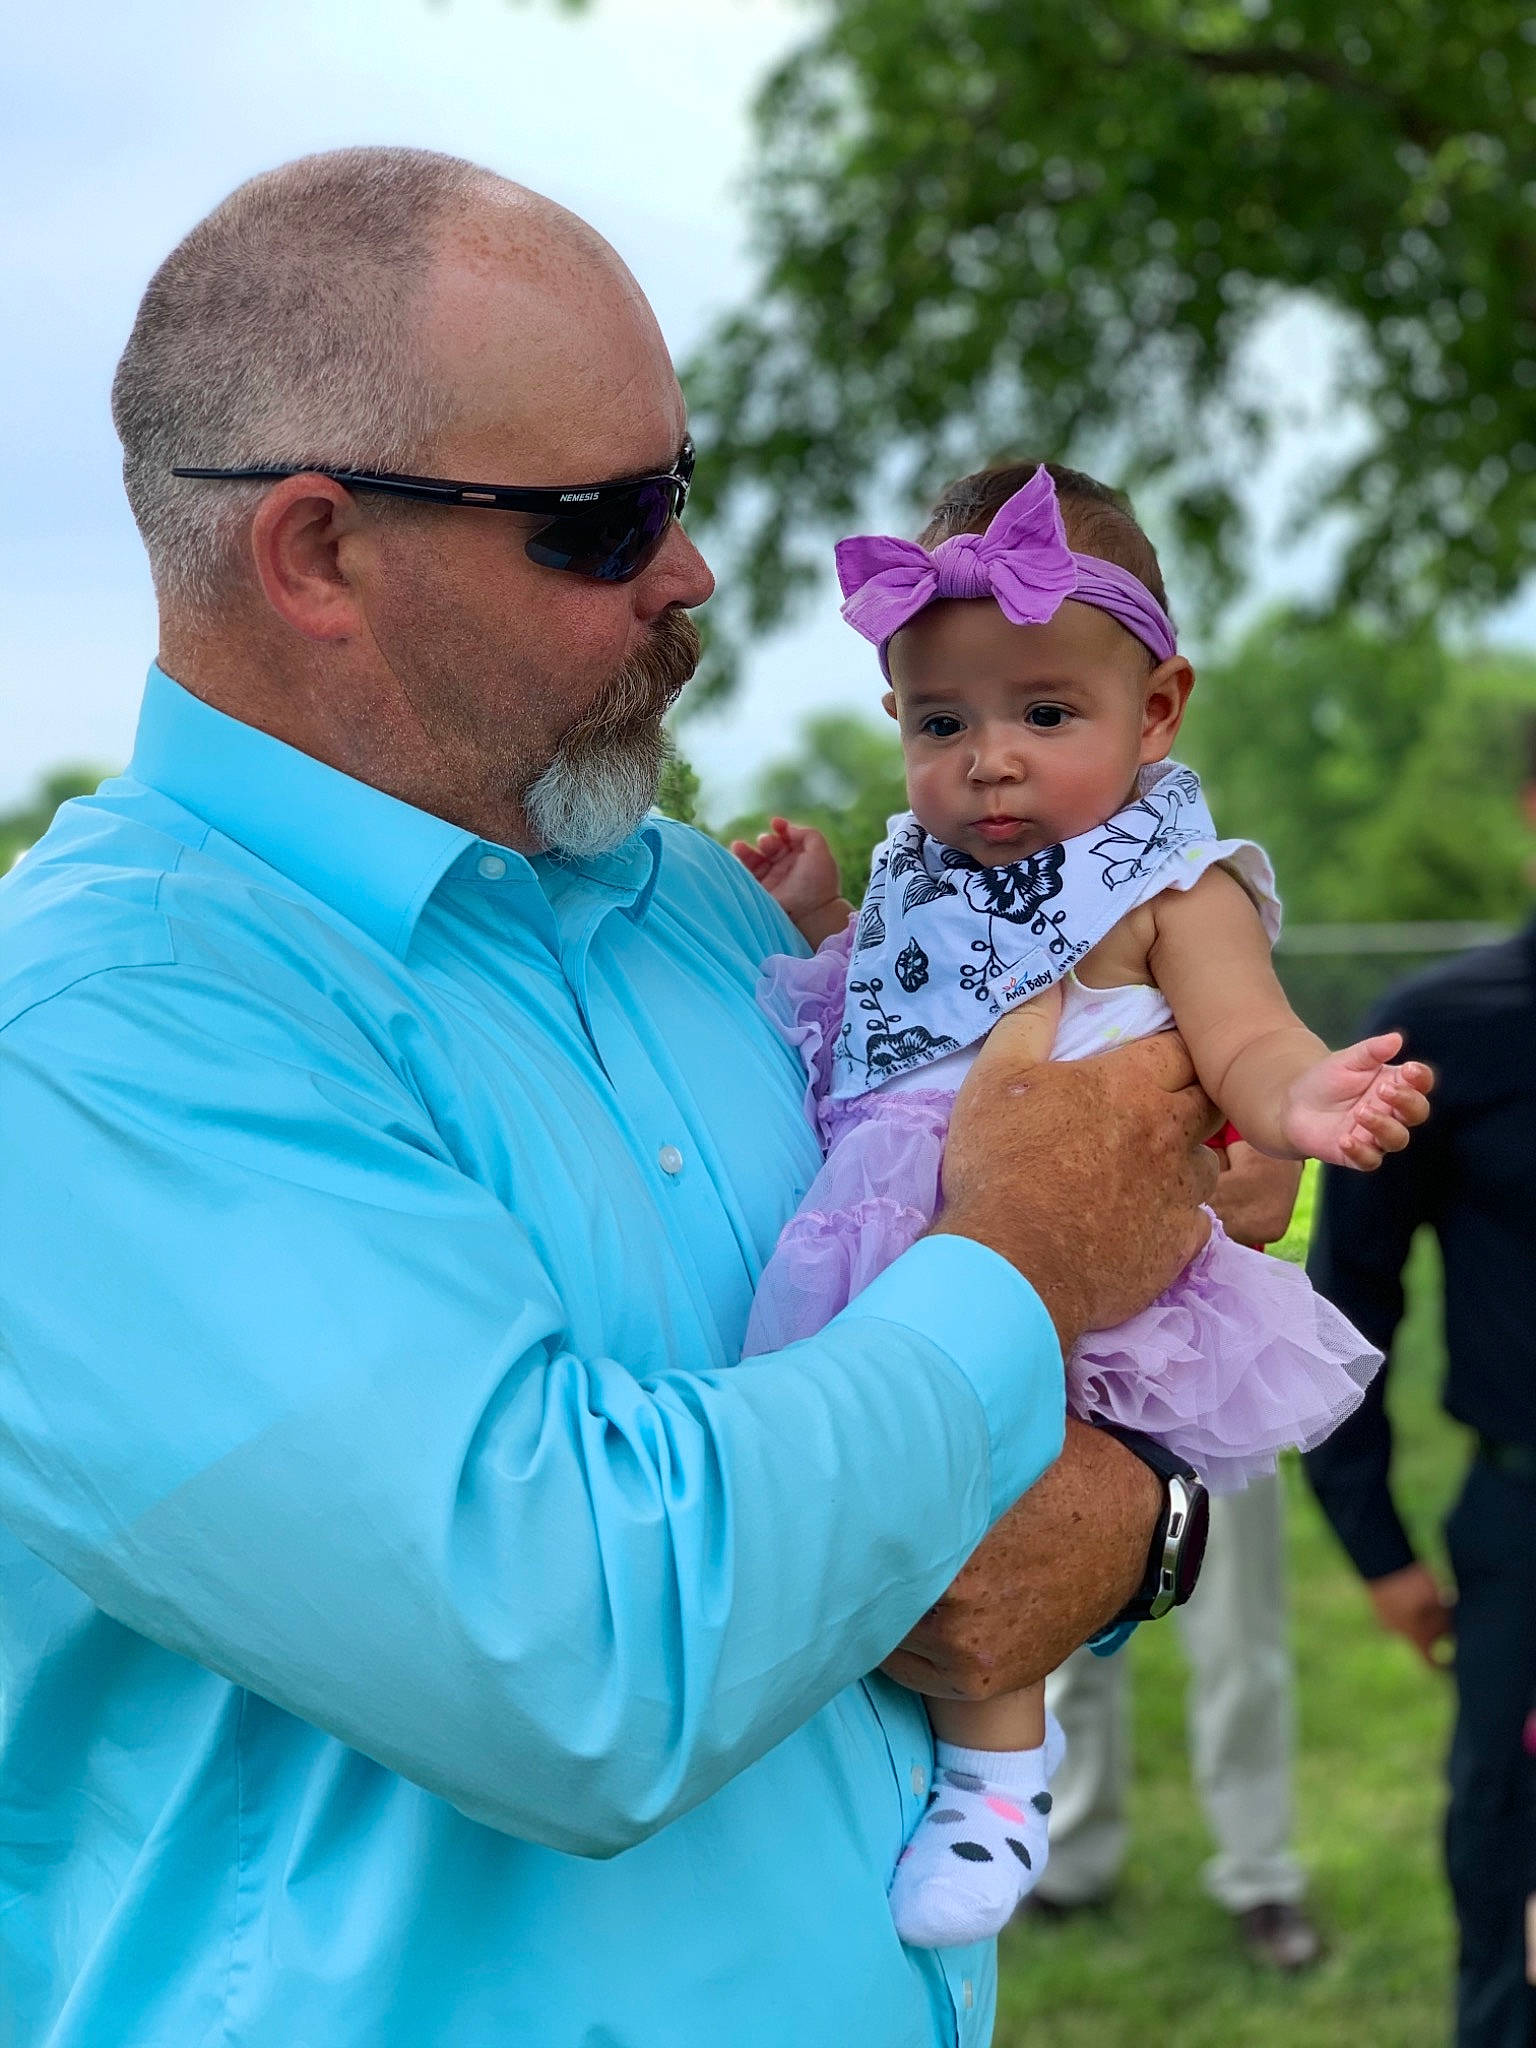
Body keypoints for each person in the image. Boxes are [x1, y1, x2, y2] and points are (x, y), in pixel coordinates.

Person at [0, 147, 1230, 2048]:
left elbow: (946, 1464)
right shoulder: (98, 1031)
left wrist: (1146, 1523)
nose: (694, 569)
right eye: (601, 517)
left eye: (685, 482)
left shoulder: (701, 912)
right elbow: (578, 1652)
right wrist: (1027, 1260)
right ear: (316, 552)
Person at [730, 460, 1430, 1948]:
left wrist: (1303, 1099)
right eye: (943, 722)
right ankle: (916, 1767)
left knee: (996, 1493)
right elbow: (900, 1011)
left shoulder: (1172, 883)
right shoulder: (921, 865)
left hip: (1084, 1264)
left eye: (1045, 716)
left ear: (1156, 711)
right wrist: (821, 921)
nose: (989, 762)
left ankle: (998, 1779)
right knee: (868, 1489)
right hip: (908, 1227)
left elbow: (1241, 1031)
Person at [1305, 764, 1536, 2048]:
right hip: (1524, 1527)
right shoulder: (1444, 1035)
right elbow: (1350, 1309)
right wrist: (1379, 1546)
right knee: (1512, 1889)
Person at [1035, 1137, 1324, 1973]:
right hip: (1072, 1362)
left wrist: (1080, 1210)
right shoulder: (1027, 1014)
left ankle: (1260, 1872)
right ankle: (1070, 1855)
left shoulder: (1221, 1018)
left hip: (1217, 1360)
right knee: (1067, 1630)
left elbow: (1260, 1198)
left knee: (1240, 1639)